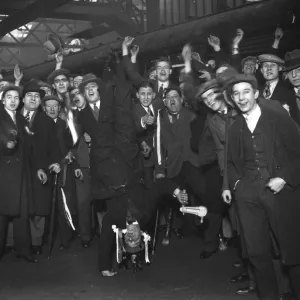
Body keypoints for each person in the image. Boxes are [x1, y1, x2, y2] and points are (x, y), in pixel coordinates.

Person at [226, 73, 300, 300]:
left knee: (292, 250)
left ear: (256, 94)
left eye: (246, 91)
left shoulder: (277, 117)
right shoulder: (234, 125)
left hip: (278, 191)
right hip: (248, 195)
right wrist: (237, 184)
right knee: (257, 252)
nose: (241, 97)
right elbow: (230, 162)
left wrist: (285, 178)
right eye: (236, 94)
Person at [21, 80, 61, 255]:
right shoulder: (14, 117)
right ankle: (17, 241)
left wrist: (54, 163)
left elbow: (54, 148)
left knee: (39, 207)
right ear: (22, 99)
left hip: (40, 170)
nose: (33, 99)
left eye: (37, 96)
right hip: (18, 171)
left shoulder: (46, 121)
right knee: (19, 206)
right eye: (29, 95)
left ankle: (36, 243)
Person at [0, 86, 36, 263]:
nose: (13, 101)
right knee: (1, 214)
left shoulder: (22, 119)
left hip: (22, 173)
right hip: (4, 172)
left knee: (23, 213)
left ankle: (24, 250)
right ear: (3, 100)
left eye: (16, 98)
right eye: (9, 97)